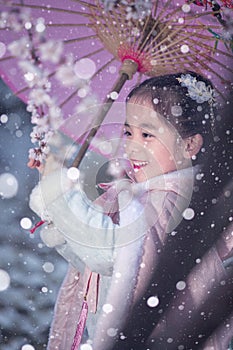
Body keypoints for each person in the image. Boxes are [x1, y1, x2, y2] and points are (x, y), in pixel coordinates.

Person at [29, 72, 232, 349]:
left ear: (188, 145)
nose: (133, 146)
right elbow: (90, 260)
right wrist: (56, 207)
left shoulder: (172, 200)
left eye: (147, 134)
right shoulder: (135, 194)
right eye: (128, 132)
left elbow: (110, 252)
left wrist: (59, 194)